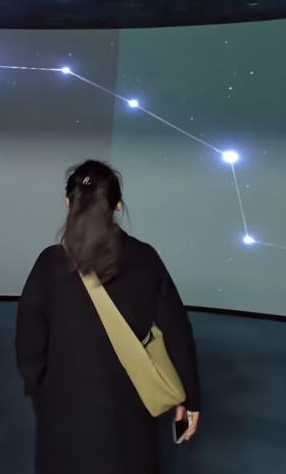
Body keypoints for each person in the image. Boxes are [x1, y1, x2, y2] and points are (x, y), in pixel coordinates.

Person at [15, 160, 201, 474]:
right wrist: (190, 397)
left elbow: (28, 345)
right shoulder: (145, 258)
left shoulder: (49, 264)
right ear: (117, 205)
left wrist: (42, 392)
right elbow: (177, 332)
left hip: (62, 413)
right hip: (130, 412)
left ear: (68, 203)